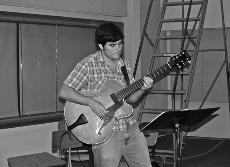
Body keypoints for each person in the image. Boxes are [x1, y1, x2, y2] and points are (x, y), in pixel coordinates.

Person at [59, 22, 155, 167]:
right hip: (106, 134)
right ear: (101, 45)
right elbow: (64, 91)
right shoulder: (88, 64)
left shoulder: (125, 66)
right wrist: (91, 102)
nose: (118, 49)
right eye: (112, 45)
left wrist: (143, 89)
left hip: (131, 128)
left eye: (120, 44)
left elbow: (131, 100)